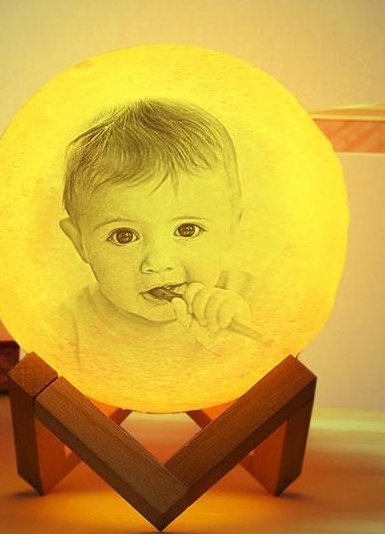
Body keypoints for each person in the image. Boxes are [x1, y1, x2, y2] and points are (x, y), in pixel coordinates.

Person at [55, 98, 254, 366]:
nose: (158, 263)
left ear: (231, 225)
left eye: (187, 230)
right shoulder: (68, 326)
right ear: (79, 242)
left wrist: (239, 349)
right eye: (124, 236)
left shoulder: (255, 302)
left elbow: (286, 379)